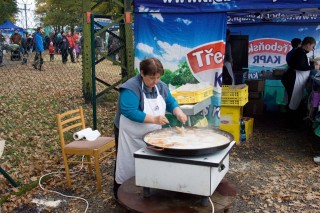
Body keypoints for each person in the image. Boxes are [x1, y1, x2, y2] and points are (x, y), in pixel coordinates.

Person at [113, 57, 188, 199]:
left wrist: (179, 112)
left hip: (152, 134)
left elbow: (170, 101)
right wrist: (154, 119)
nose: (155, 82)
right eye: (151, 78)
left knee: (150, 162)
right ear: (142, 73)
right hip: (129, 135)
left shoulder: (161, 86)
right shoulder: (131, 87)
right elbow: (129, 111)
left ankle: (150, 189)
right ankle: (120, 193)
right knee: (127, 161)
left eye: (158, 78)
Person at [282, 36, 319, 128]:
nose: (312, 49)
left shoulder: (301, 52)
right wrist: (313, 67)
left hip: (294, 79)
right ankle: (289, 125)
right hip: (293, 79)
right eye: (312, 46)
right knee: (292, 101)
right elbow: (300, 67)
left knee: (292, 101)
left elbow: (301, 63)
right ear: (308, 44)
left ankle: (290, 123)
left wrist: (311, 61)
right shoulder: (299, 53)